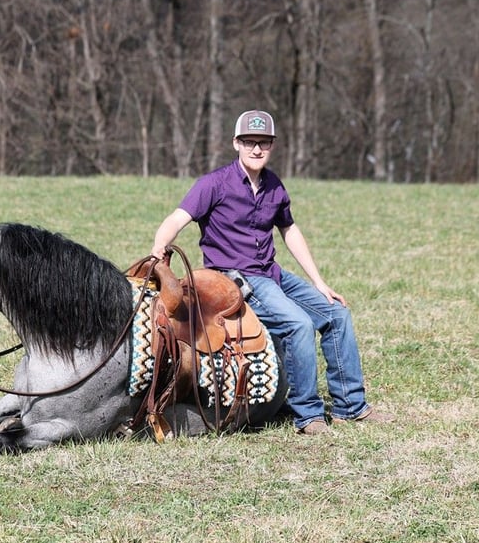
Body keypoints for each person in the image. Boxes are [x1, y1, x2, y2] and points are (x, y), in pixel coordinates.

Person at [151, 109, 394, 435]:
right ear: (236, 143)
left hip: (271, 274)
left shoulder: (274, 185)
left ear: (272, 146)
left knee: (337, 313)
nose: (256, 150)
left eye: (263, 143)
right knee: (298, 324)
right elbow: (176, 219)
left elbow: (289, 231)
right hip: (235, 278)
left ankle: (350, 405)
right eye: (250, 142)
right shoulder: (214, 184)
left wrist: (319, 283)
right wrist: (159, 248)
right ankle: (308, 414)